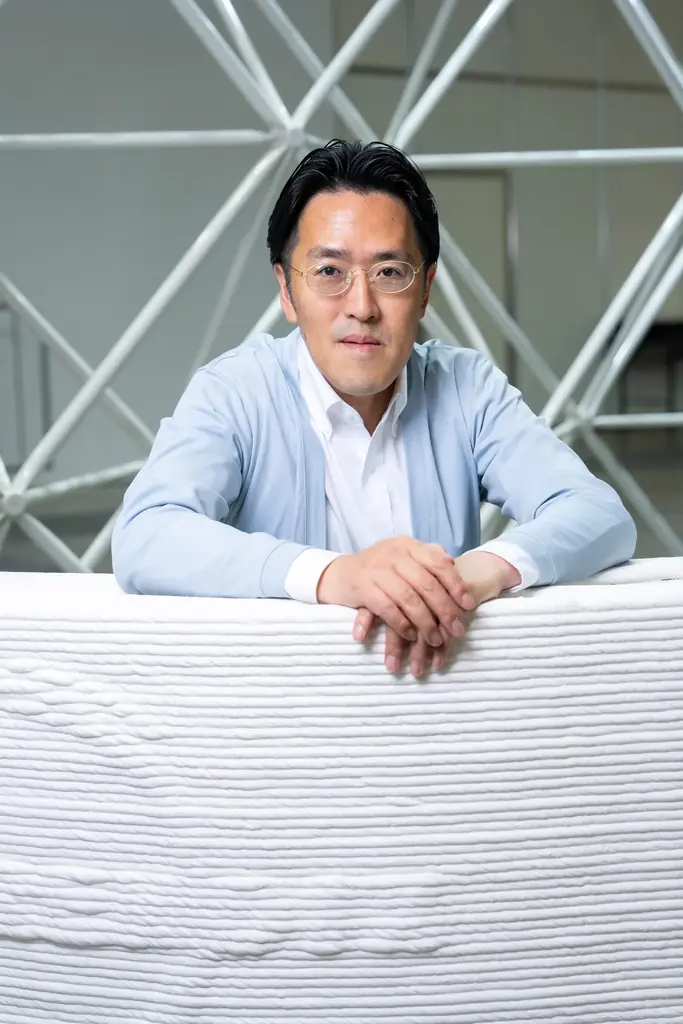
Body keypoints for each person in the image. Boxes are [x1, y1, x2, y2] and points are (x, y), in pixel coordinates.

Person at [112, 139, 636, 679]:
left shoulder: (466, 388)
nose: (362, 307)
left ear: (425, 290)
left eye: (389, 272)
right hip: (283, 699)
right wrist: (336, 575)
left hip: (440, 694)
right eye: (329, 272)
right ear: (287, 291)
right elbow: (146, 535)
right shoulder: (235, 391)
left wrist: (477, 572)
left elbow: (598, 513)